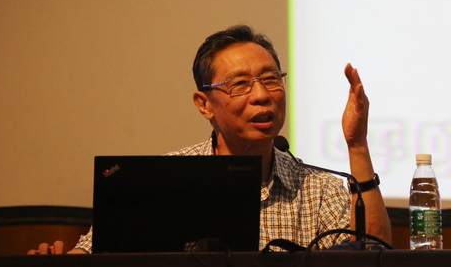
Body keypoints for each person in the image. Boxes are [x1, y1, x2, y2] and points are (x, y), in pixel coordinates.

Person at [28, 25, 392, 254]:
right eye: (240, 84)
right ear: (204, 105)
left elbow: (373, 258)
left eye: (271, 79)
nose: (262, 95)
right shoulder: (164, 181)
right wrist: (60, 264)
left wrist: (357, 145)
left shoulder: (319, 189)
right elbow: (92, 257)